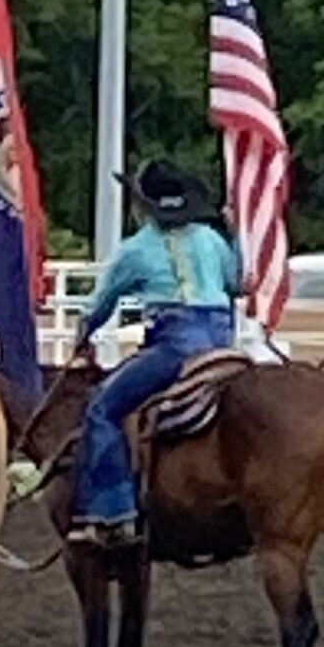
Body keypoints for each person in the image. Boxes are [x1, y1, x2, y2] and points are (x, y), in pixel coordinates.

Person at [69, 158, 241, 547]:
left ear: (142, 205)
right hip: (223, 342)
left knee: (102, 409)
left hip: (175, 345)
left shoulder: (135, 250)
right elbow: (236, 283)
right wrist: (235, 237)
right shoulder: (210, 239)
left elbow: (100, 305)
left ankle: (115, 512)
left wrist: (84, 337)